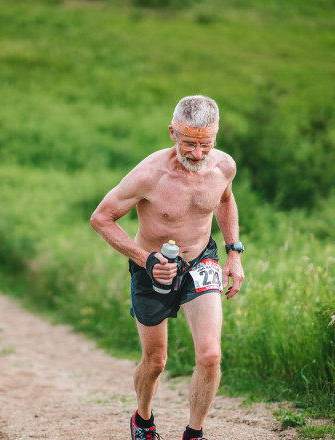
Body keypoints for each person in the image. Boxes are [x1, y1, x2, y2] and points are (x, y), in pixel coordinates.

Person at [90, 95, 245, 440]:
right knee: (156, 361)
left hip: (202, 260)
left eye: (206, 144)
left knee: (210, 354)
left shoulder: (224, 166)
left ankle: (194, 433)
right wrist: (145, 259)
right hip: (151, 270)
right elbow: (101, 219)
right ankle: (143, 419)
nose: (197, 154)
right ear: (172, 133)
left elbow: (224, 200)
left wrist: (233, 253)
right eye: (189, 143)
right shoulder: (149, 175)